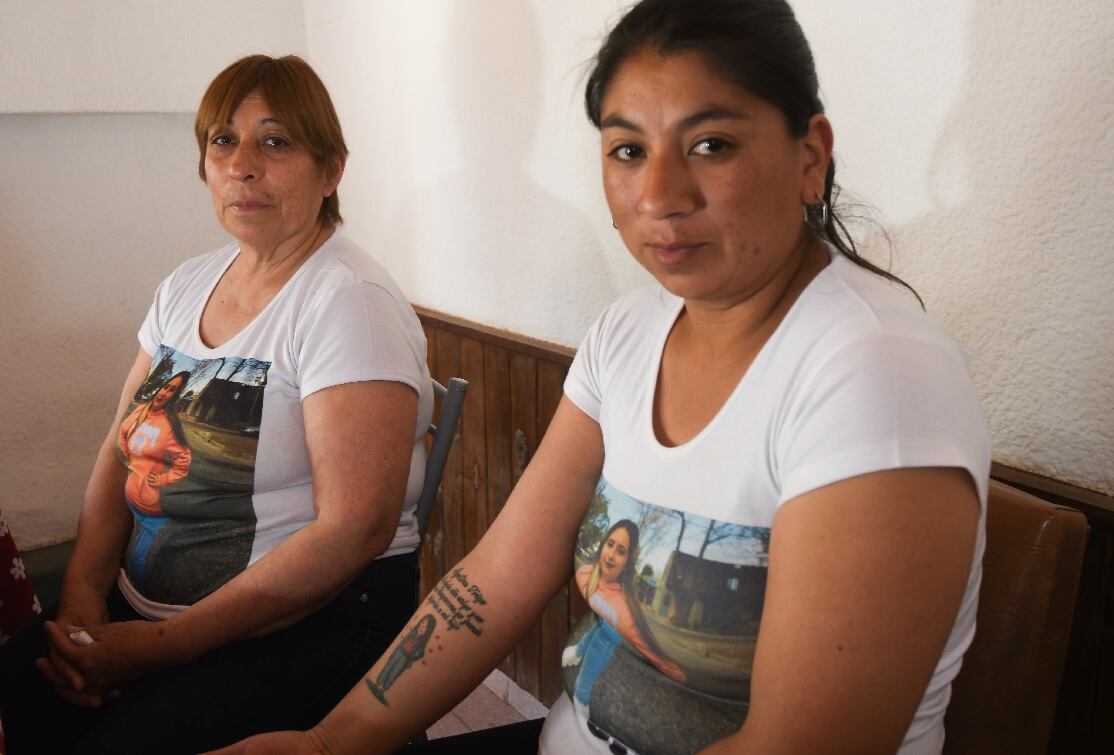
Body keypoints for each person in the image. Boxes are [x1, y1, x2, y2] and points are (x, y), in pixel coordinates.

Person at [215, 0, 990, 753]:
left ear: (810, 158)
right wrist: (330, 741)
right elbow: (496, 579)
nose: (660, 196)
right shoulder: (627, 333)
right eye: (627, 150)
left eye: (712, 144)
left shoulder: (876, 373)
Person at [0, 54, 434, 754]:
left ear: (331, 170)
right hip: (143, 611)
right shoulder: (186, 284)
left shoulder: (349, 304)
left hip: (308, 625)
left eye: (276, 140)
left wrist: (157, 648)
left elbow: (354, 530)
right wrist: (83, 599)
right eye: (222, 141)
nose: (243, 165)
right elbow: (119, 448)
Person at [563, 518, 684, 718]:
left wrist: (676, 673)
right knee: (603, 620)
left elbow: (646, 645)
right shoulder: (585, 573)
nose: (611, 555)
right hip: (602, 620)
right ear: (603, 544)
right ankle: (580, 650)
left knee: (608, 630)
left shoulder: (624, 611)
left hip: (613, 627)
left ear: (628, 561)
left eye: (621, 551)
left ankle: (581, 696)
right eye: (610, 544)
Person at [116, 370, 193, 588]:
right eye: (166, 386)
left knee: (145, 566)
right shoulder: (141, 411)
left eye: (173, 391)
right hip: (133, 511)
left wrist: (162, 479)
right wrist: (129, 457)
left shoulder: (168, 427)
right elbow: (122, 433)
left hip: (151, 510)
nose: (165, 393)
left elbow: (183, 460)